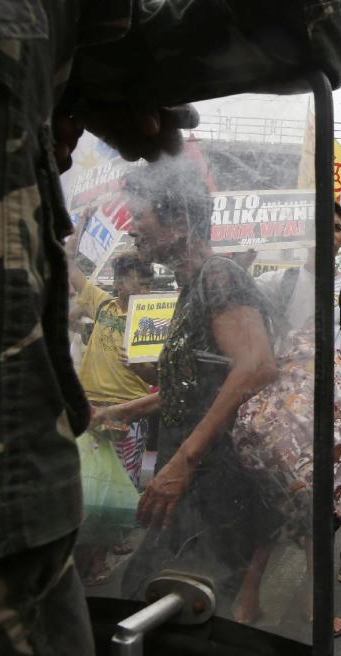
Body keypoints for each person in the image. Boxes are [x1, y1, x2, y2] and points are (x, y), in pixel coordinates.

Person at [0, 5, 198, 656]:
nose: (63, 151)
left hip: (103, 437)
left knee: (108, 520)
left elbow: (167, 381)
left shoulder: (162, 310)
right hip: (4, 522)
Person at [93, 158, 279, 620]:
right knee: (152, 598)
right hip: (194, 482)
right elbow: (199, 384)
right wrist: (128, 410)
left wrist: (182, 461)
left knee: (166, 604)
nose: (132, 227)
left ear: (178, 222)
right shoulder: (191, 283)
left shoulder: (220, 276)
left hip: (217, 485)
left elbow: (255, 366)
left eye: (140, 215)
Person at [247, 203, 341, 636]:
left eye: (339, 229)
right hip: (276, 416)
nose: (332, 234)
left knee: (320, 514)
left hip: (322, 416)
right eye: (325, 226)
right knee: (267, 508)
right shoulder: (273, 282)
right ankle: (248, 599)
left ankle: (311, 601)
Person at [64, 247, 156, 584]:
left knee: (118, 495)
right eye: (135, 283)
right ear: (118, 283)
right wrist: (69, 246)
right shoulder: (101, 303)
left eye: (146, 284)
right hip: (90, 413)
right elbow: (73, 271)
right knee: (87, 487)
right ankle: (86, 554)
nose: (141, 291)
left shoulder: (153, 321)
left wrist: (142, 365)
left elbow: (160, 380)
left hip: (128, 416)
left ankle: (98, 560)